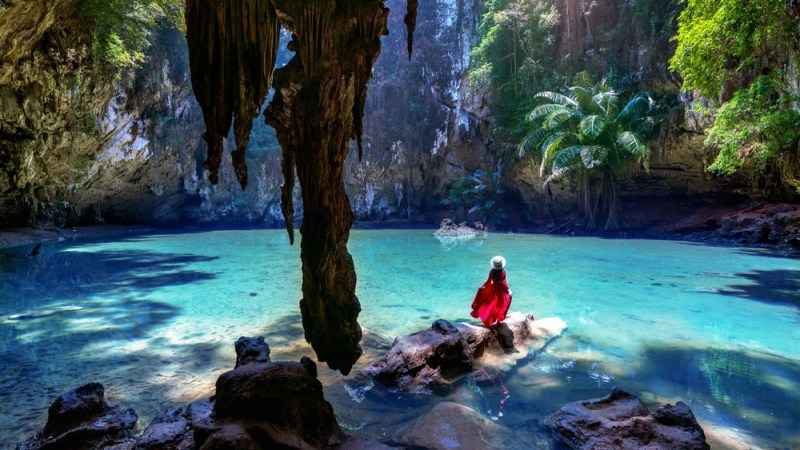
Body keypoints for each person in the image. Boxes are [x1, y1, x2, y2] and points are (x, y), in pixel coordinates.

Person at [470, 255, 513, 327]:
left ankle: (488, 319)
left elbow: (488, 281)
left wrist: (482, 287)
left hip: (493, 289)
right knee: (500, 305)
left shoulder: (491, 272)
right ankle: (499, 320)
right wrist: (508, 289)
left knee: (491, 304)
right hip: (501, 290)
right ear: (501, 264)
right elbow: (504, 282)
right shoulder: (503, 272)